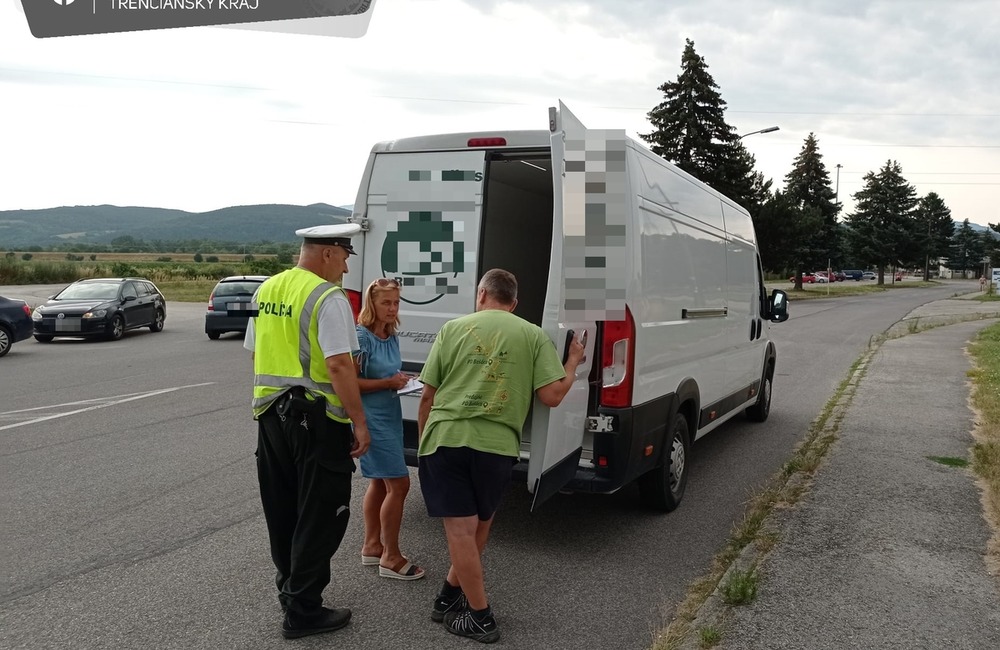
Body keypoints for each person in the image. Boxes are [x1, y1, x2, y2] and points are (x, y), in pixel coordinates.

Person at [417, 268, 586, 644]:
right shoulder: (532, 334)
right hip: (497, 448)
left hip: (447, 438)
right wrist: (573, 361)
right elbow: (552, 397)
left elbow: (428, 395)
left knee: (460, 532)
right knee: (479, 528)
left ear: (481, 295)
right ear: (514, 302)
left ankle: (481, 617)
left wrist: (424, 439)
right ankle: (447, 598)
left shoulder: (453, 329)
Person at [243, 223, 371, 640]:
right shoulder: (327, 297)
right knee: (321, 514)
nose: (347, 266)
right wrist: (359, 421)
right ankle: (303, 610)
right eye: (346, 256)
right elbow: (339, 366)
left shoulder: (267, 290)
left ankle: (290, 590)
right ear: (329, 254)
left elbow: (256, 351)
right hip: (316, 422)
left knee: (282, 508)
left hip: (270, 416)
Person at [355, 277, 426, 581]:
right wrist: (388, 383)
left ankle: (372, 546)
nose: (392, 308)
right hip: (372, 418)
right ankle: (391, 557)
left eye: (396, 302)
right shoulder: (360, 336)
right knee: (399, 485)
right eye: (386, 302)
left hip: (391, 414)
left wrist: (402, 379)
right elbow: (349, 383)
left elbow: (388, 373)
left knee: (380, 484)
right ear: (372, 303)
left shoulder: (390, 335)